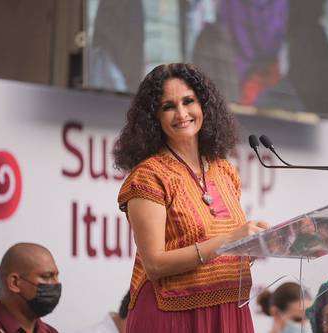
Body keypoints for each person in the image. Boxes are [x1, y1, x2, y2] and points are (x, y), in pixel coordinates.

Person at [113, 63, 269, 332]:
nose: (182, 113)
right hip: (173, 315)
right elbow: (155, 264)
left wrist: (253, 244)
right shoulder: (149, 176)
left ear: (204, 106)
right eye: (168, 106)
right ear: (154, 117)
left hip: (230, 310)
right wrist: (230, 240)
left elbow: (228, 246)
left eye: (188, 101)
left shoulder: (224, 170)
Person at [0, 243, 61, 333]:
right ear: (14, 283)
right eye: (47, 276)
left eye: (56, 276)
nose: (56, 283)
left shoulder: (50, 331)